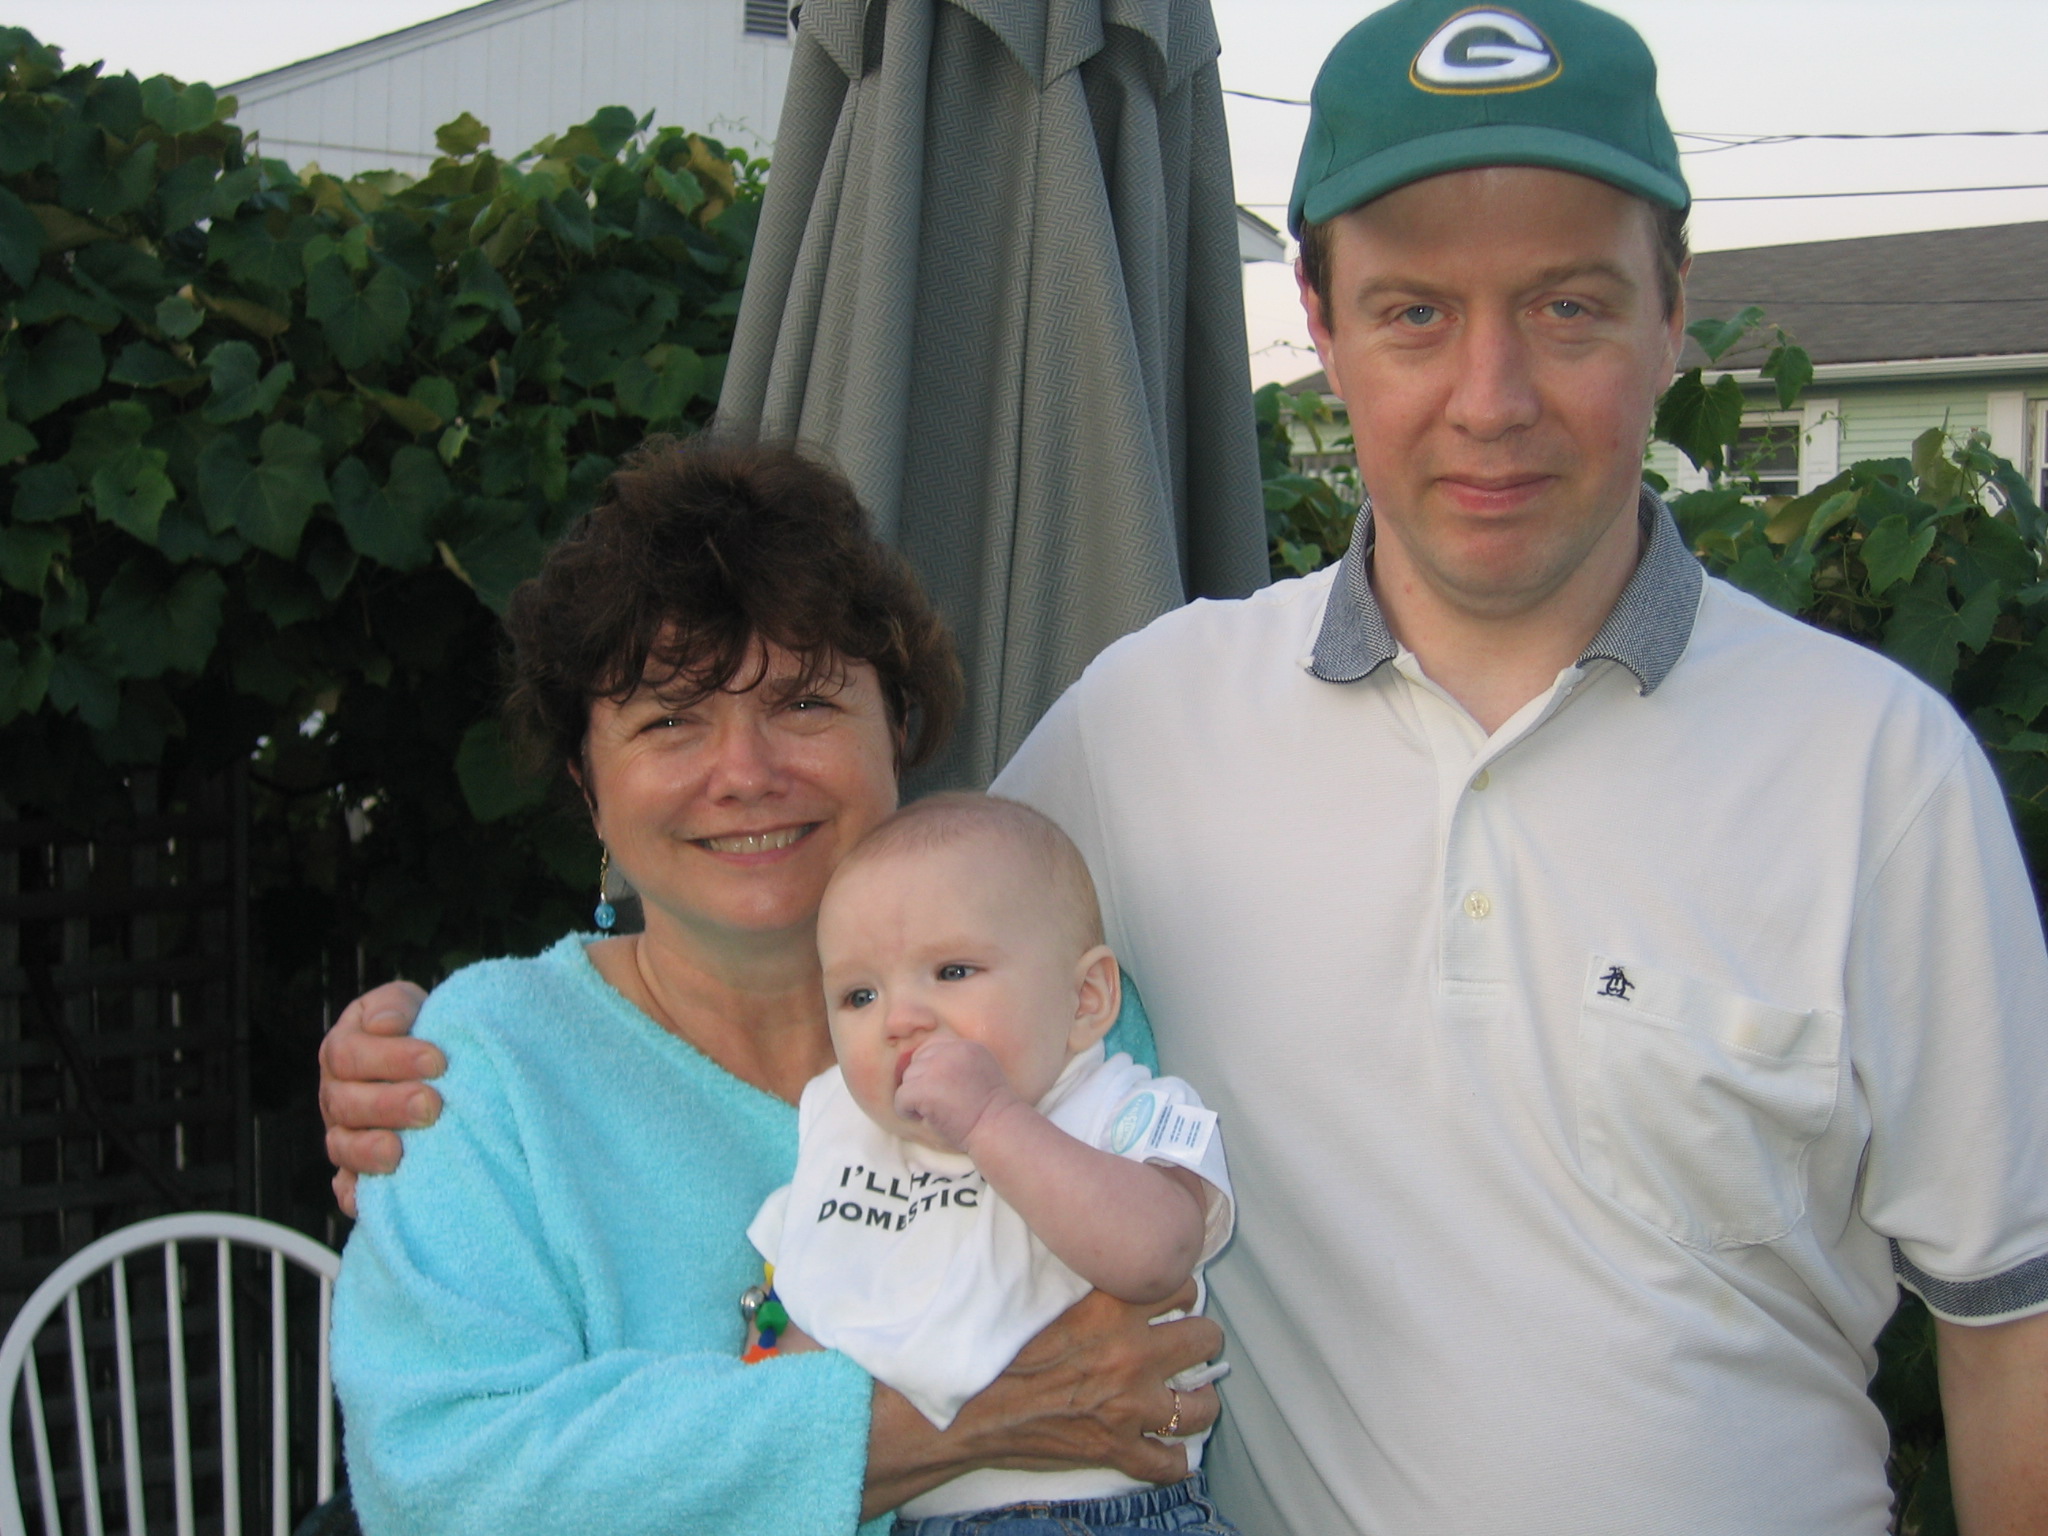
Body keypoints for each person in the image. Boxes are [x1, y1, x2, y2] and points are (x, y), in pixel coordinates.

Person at [322, 2, 2048, 1532]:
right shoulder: (1146, 723)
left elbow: (2009, 1325)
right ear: (1320, 325)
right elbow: (842, 919)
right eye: (1414, 311)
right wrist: (420, 1068)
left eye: (1569, 306)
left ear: (1674, 314)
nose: (1491, 394)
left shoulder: (1876, 770)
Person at [326, 439, 1223, 1536]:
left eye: (802, 703)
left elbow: (1147, 1364)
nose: (747, 774)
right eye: (669, 719)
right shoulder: (481, 1066)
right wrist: (953, 1423)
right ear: (587, 785)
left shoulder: (1052, 1008)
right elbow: (443, 1482)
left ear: (898, 729)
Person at [752, 792, 1237, 1533]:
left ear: (1085, 999)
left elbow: (1158, 1256)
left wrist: (993, 1123)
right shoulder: (843, 1135)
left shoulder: (1119, 1108)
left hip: (1108, 1514)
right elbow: (797, 1321)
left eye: (952, 971)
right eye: (859, 995)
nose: (900, 1019)